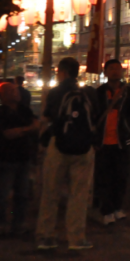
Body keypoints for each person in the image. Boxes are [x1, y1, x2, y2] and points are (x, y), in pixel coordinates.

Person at [36, 57, 100, 251]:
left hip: (59, 145)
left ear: (62, 71)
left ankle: (47, 236)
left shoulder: (55, 92)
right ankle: (76, 238)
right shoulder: (88, 93)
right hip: (84, 149)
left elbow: (47, 118)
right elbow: (96, 118)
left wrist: (41, 139)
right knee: (79, 194)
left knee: (51, 192)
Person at [94, 60, 130, 226]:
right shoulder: (99, 93)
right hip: (102, 143)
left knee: (121, 177)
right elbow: (93, 116)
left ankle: (117, 208)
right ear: (105, 72)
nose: (115, 71)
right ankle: (107, 211)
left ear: (122, 72)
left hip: (122, 142)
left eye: (118, 69)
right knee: (104, 177)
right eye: (111, 69)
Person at [0, 82, 38, 237]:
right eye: (12, 91)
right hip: (6, 159)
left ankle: (18, 224)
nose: (17, 93)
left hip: (23, 157)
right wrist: (27, 129)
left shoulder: (24, 110)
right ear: (4, 95)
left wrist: (21, 130)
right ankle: (3, 225)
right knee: (2, 195)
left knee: (22, 194)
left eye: (15, 90)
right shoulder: (2, 113)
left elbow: (37, 125)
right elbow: (8, 134)